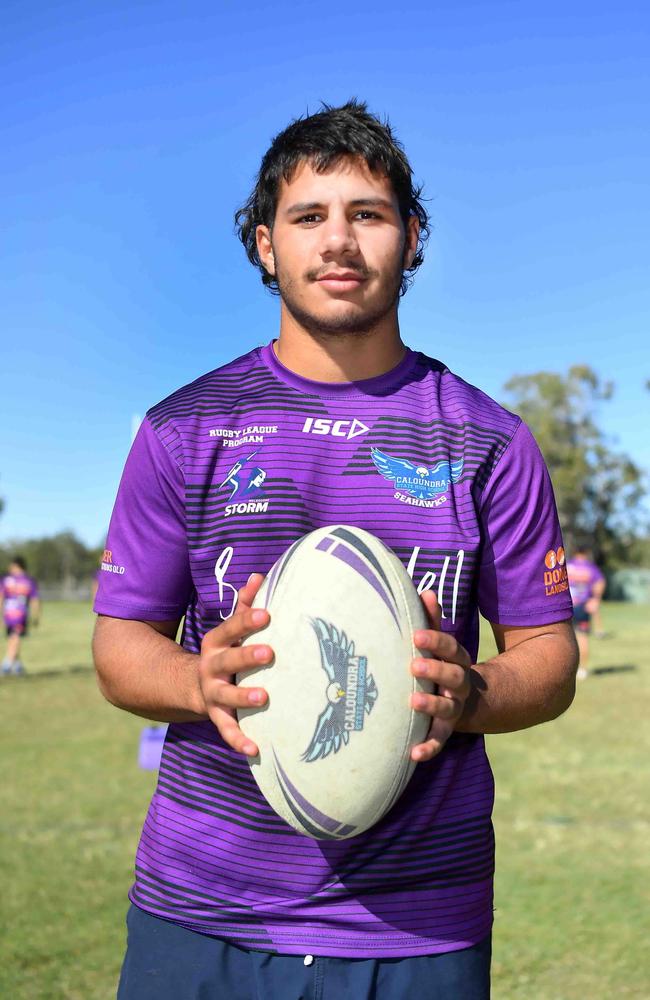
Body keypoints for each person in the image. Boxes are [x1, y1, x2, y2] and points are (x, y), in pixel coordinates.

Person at [92, 100, 578, 1000]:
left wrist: (472, 691)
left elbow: (550, 659)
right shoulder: (182, 429)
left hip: (421, 920)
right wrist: (198, 681)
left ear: (412, 236)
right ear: (267, 245)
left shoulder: (488, 440)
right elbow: (120, 648)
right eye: (309, 217)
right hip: (205, 904)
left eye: (369, 213)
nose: (340, 241)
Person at [566, 546, 605, 679]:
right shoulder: (590, 567)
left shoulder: (567, 565)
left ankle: (563, 670)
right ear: (586, 553)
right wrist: (595, 599)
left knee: (563, 638)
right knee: (582, 638)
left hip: (566, 605)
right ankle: (582, 669)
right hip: (583, 606)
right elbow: (600, 582)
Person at [1, 555, 40, 675]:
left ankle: (12, 665)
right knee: (14, 638)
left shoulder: (6, 580)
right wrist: (36, 615)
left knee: (13, 638)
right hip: (20, 614)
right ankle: (11, 665)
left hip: (9, 614)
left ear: (16, 566)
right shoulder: (29, 581)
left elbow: (1, 597)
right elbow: (35, 600)